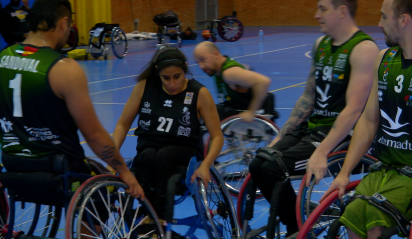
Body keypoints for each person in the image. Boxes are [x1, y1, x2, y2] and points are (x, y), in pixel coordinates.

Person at [248, 0, 380, 236]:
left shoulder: (363, 49)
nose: (316, 14)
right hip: (313, 129)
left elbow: (353, 109)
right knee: (258, 162)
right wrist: (279, 138)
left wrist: (322, 151)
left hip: (343, 136)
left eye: (322, 8)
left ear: (341, 11)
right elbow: (308, 97)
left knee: (272, 168)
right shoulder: (321, 44)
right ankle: (298, 219)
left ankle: (296, 228)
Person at [0, 0, 144, 199]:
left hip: (13, 164)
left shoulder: (3, 57)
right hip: (60, 169)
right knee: (103, 198)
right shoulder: (64, 69)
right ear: (63, 23)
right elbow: (93, 135)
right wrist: (125, 173)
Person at [322, 0, 412, 238]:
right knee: (353, 215)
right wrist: (344, 172)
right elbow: (369, 121)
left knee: (375, 223)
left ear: (403, 20)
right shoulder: (384, 59)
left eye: (384, 17)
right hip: (384, 170)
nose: (379, 24)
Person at [113, 46, 224, 222]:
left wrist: (206, 165)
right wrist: (113, 158)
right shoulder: (145, 87)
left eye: (177, 77)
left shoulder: (199, 93)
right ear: (158, 73)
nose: (172, 84)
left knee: (164, 156)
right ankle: (151, 213)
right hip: (148, 150)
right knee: (147, 156)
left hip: (183, 152)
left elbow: (217, 136)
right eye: (166, 78)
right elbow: (122, 124)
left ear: (185, 69)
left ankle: (156, 217)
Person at [193, 41, 273, 122]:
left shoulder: (229, 73)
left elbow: (264, 81)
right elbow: (247, 68)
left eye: (203, 60)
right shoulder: (220, 67)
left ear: (216, 54)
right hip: (234, 108)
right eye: (197, 62)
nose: (201, 66)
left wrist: (251, 112)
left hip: (243, 115)